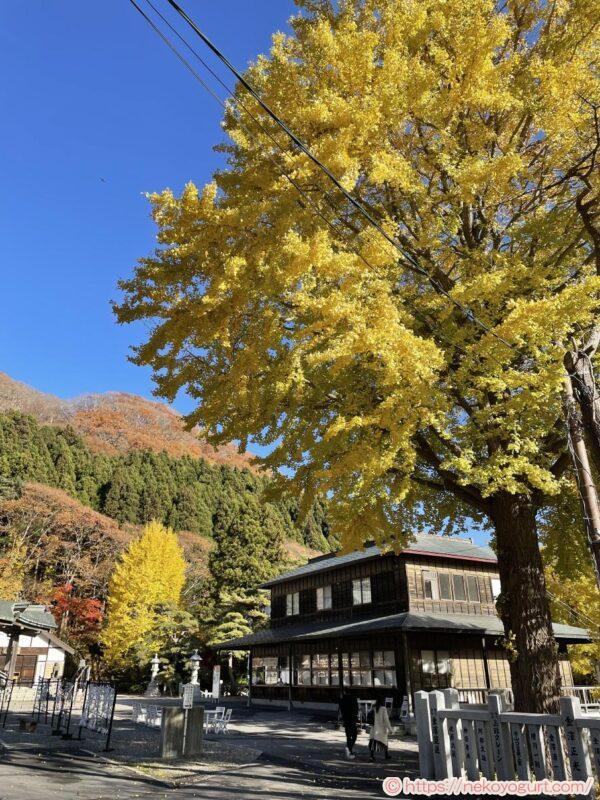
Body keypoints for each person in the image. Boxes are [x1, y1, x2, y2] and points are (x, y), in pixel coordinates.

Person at [338, 689, 359, 759]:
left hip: (346, 719)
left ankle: (349, 749)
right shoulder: (353, 699)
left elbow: (341, 709)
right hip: (352, 719)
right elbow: (356, 709)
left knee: (348, 735)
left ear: (345, 692)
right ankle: (349, 748)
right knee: (354, 735)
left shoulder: (342, 700)